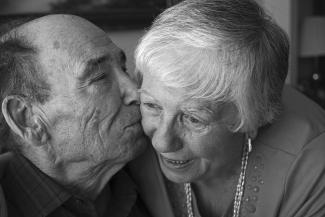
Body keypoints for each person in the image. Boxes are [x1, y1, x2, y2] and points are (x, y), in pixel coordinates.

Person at [128, 0, 325, 217]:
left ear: (255, 119)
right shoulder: (129, 133)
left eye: (193, 119)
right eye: (152, 105)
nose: (161, 142)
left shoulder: (313, 166)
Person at [0, 15, 150, 217]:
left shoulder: (158, 174)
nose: (135, 91)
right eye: (99, 78)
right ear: (28, 120)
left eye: (123, 69)